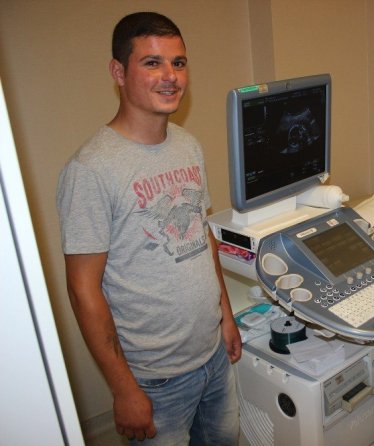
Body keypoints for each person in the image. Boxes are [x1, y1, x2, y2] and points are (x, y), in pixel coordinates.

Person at [56, 12, 241, 445]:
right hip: (156, 380)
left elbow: (202, 239)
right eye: (152, 63)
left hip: (212, 357)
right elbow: (83, 290)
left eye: (178, 63)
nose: (170, 76)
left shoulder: (188, 145)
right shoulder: (91, 170)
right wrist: (123, 389)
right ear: (119, 72)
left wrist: (226, 317)